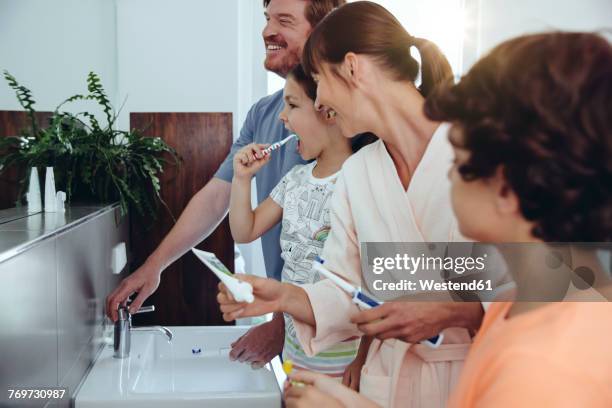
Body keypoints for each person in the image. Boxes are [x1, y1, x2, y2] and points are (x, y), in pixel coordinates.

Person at [218, 2, 486, 407]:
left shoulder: (482, 150)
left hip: (472, 383)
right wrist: (282, 296)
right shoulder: (361, 172)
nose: (321, 100)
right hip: (385, 387)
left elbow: (557, 281)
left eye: (320, 81)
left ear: (352, 68)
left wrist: (456, 312)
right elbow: (346, 290)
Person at [105, 0, 346, 368]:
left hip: (334, 339)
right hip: (299, 331)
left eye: (283, 20)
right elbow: (219, 196)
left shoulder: (353, 137)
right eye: (266, 19)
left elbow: (364, 270)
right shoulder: (263, 114)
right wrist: (155, 266)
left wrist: (279, 323)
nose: (267, 31)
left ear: (323, 33)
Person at [422, 31, 612, 407]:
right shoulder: (525, 304)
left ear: (507, 188)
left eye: (457, 163)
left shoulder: (545, 371)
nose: (448, 177)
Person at [230, 64, 375, 376]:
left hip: (344, 357)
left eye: (292, 105)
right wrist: (242, 179)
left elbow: (377, 283)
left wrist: (362, 358)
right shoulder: (295, 178)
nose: (283, 117)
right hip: (295, 351)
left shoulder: (362, 179)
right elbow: (245, 230)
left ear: (329, 111)